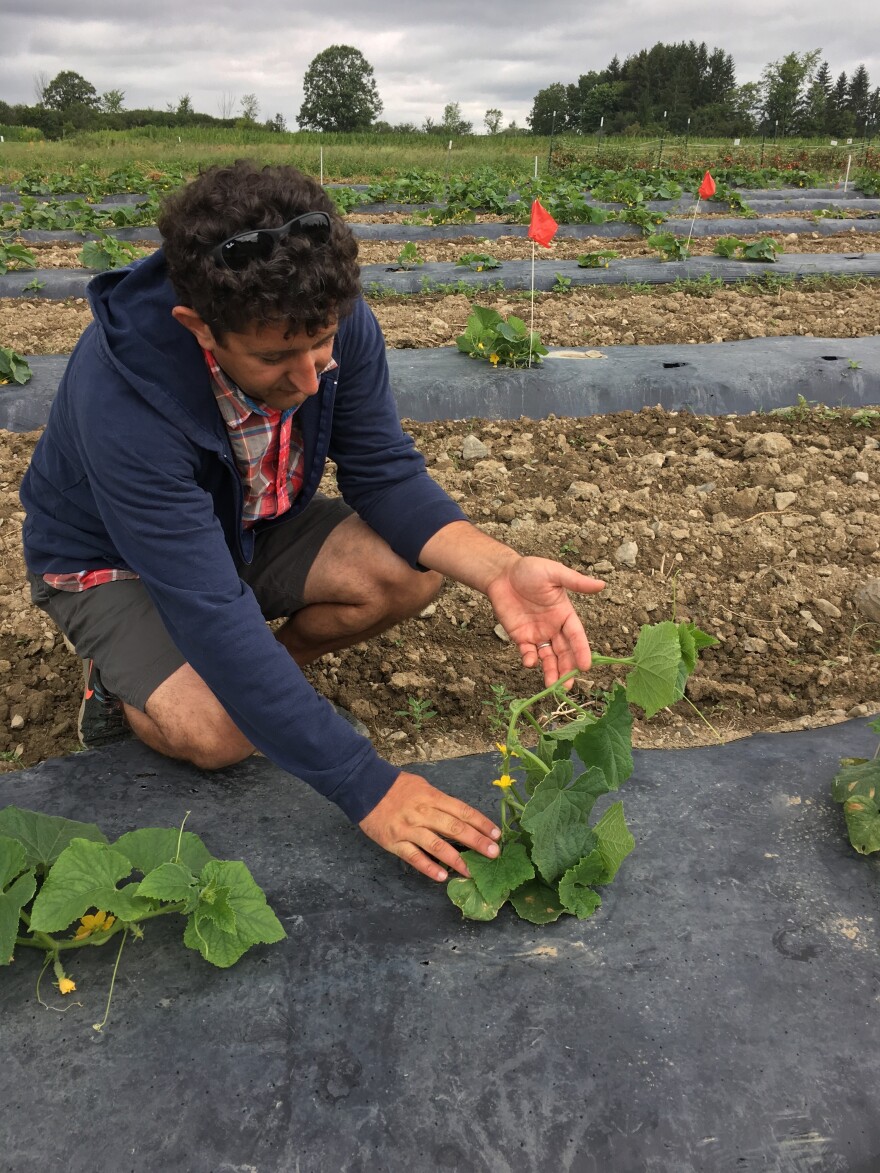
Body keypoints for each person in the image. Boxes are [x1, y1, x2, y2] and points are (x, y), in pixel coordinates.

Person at [20, 160, 605, 884]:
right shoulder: (122, 402)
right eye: (275, 357)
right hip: (114, 559)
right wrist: (371, 787)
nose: (308, 376)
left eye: (321, 342)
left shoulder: (333, 318)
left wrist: (499, 567)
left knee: (412, 568)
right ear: (199, 327)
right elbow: (208, 607)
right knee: (219, 731)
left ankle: (264, 690)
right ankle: (120, 686)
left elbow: (383, 471)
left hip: (246, 524)